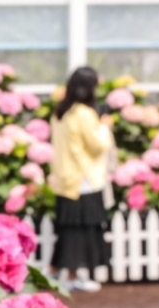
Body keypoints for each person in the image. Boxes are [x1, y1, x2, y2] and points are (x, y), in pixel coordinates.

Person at [48, 66, 114, 292]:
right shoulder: (84, 114)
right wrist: (104, 127)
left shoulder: (60, 112)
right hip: (83, 178)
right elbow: (98, 146)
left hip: (65, 178)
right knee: (82, 229)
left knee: (67, 229)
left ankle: (56, 272)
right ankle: (73, 275)